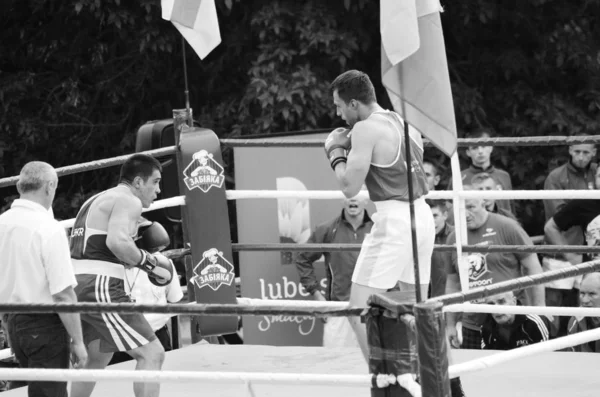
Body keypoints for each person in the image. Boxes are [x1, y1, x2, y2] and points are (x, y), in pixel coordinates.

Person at [325, 70, 466, 397]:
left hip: (395, 221)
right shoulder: (404, 122)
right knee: (419, 307)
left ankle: (385, 379)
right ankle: (444, 383)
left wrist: (335, 153)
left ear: (355, 102)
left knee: (355, 307)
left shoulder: (365, 129)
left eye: (339, 106)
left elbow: (349, 187)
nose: (337, 114)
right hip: (422, 216)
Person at [69, 154, 174, 397]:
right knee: (152, 354)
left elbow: (92, 248)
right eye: (155, 182)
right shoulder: (129, 200)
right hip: (100, 285)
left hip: (78, 284)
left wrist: (130, 257)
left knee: (96, 357)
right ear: (138, 182)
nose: (158, 190)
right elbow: (116, 241)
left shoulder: (95, 200)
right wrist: (149, 264)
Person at [0, 161, 87, 397]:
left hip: (14, 322)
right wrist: (78, 341)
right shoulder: (48, 228)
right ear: (49, 187)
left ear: (20, 187)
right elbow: (63, 292)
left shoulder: (2, 224)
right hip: (44, 324)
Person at [445, 189, 545, 350]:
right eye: (460, 210)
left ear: (484, 203)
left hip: (511, 319)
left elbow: (533, 267)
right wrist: (450, 324)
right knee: (474, 374)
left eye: (471, 207)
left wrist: (540, 309)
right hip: (473, 322)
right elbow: (452, 284)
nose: (466, 214)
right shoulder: (453, 238)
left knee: (520, 372)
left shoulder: (507, 226)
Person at [295, 195, 373, 347]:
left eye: (358, 195)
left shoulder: (378, 229)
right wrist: (317, 295)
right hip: (338, 310)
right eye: (349, 195)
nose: (353, 199)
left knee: (371, 368)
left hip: (371, 311)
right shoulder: (327, 229)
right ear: (342, 199)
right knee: (335, 366)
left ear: (367, 199)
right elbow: (302, 258)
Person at [542, 139, 597, 336]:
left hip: (585, 254)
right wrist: (571, 254)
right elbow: (557, 218)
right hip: (564, 254)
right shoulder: (557, 177)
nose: (581, 157)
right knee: (561, 310)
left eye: (586, 152)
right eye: (577, 151)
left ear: (593, 153)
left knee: (584, 303)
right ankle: (557, 350)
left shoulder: (593, 172)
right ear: (570, 151)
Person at [110, 220, 183, 365]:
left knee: (159, 383)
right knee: (116, 385)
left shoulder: (163, 263)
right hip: (119, 340)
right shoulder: (106, 268)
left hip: (157, 335)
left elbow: (174, 300)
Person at [449, 129, 514, 214]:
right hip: (470, 225)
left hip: (501, 225)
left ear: (491, 148)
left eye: (483, 146)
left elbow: (510, 209)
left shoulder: (504, 176)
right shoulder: (458, 178)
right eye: (474, 148)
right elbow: (450, 211)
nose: (480, 151)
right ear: (468, 152)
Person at [480, 291, 549, 350]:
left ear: (514, 302)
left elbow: (545, 357)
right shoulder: (486, 327)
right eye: (491, 304)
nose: (496, 308)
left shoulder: (533, 322)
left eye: (501, 302)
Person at [566, 272, 600, 352]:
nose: (585, 300)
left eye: (592, 294)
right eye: (582, 293)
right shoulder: (575, 320)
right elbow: (572, 357)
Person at [427, 199, 454, 298]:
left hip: (459, 298)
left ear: (445, 215)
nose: (431, 220)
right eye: (426, 216)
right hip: (431, 300)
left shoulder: (458, 235)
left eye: (435, 216)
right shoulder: (416, 238)